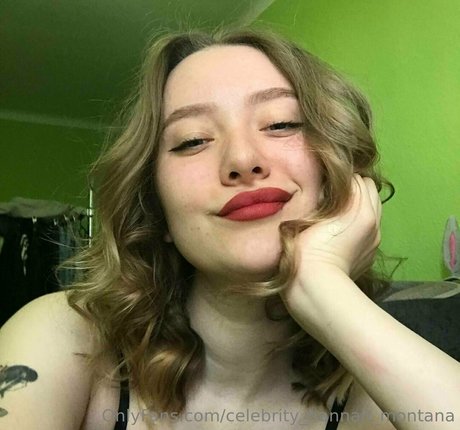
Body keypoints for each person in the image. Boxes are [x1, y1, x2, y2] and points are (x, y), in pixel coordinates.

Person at [0, 26, 459, 430]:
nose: (242, 159)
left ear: (337, 175)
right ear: (156, 210)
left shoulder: (382, 397)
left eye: (281, 124)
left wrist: (322, 287)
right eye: (193, 140)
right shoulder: (63, 339)